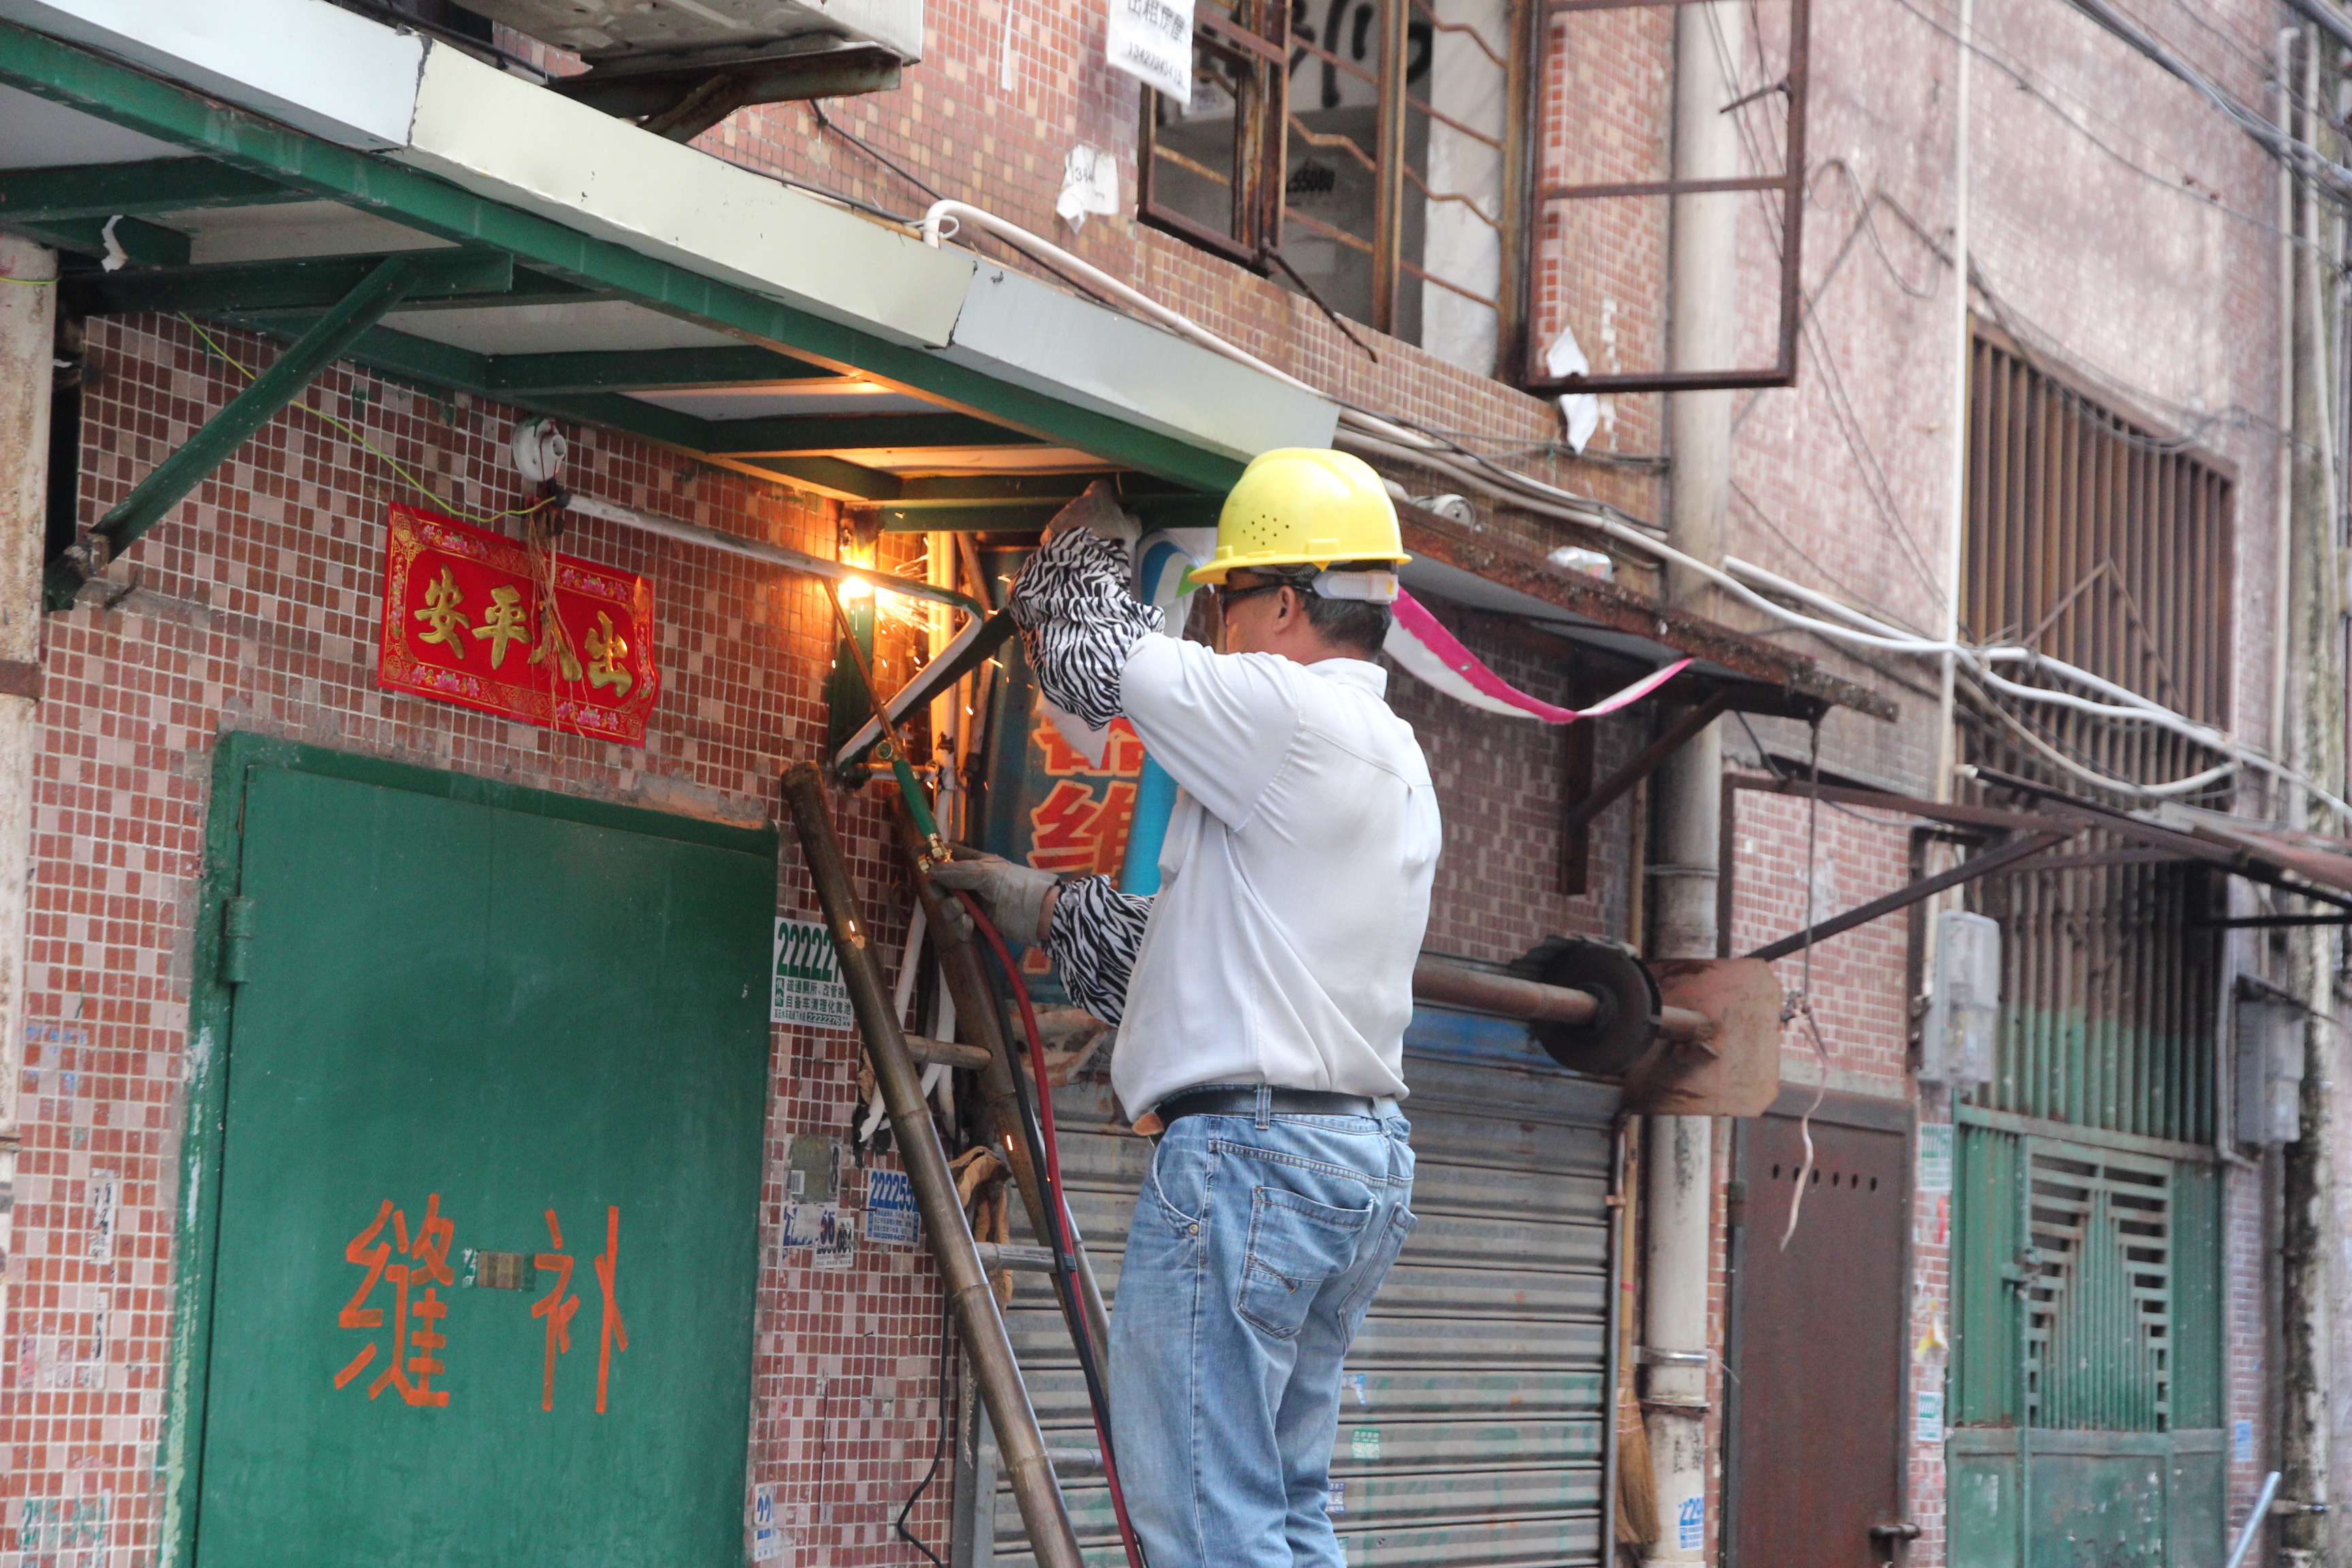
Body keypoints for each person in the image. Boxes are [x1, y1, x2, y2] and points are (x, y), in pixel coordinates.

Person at [932, 448, 1441, 1568]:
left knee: (1209, 1530)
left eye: (1226, 599)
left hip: (1256, 1163)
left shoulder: (1280, 710)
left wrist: (1088, 533)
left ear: (1287, 605)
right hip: (1345, 1164)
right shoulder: (1394, 755)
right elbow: (1203, 953)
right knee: (1285, 1515)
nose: (1215, 625)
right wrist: (1041, 908)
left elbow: (1080, 656)